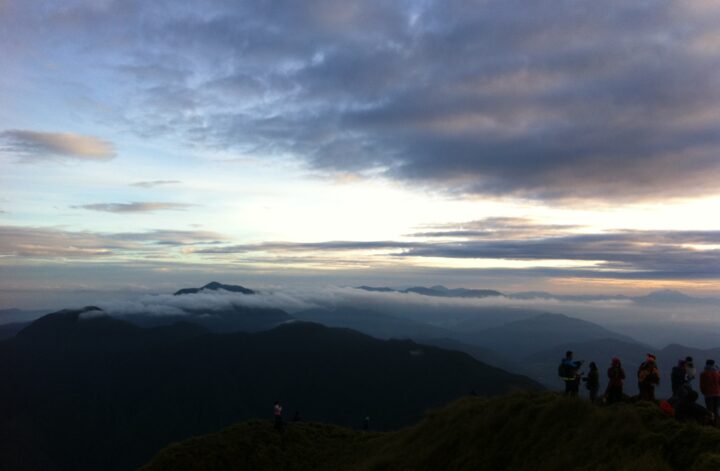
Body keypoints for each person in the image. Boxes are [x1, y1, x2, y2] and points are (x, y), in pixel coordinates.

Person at [700, 359, 720, 426]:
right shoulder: (717, 374)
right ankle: (716, 422)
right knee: (716, 409)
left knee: (709, 409)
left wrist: (704, 392)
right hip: (717, 393)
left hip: (708, 394)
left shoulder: (703, 374)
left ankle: (710, 423)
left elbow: (702, 385)